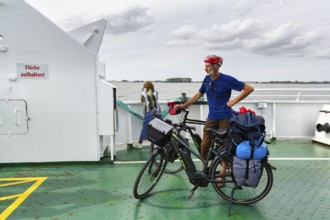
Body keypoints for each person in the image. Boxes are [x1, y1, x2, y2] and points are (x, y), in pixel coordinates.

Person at [175, 54, 254, 186]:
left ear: (216, 66)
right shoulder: (207, 79)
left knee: (223, 147)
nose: (205, 69)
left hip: (225, 117)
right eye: (205, 66)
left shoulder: (227, 79)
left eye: (208, 66)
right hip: (211, 117)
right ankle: (205, 170)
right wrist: (184, 105)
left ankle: (222, 174)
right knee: (204, 146)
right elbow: (198, 94)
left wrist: (232, 102)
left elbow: (249, 88)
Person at [133, 81, 161, 148]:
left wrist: (143, 90)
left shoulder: (145, 91)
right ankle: (159, 144)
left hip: (150, 112)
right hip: (158, 111)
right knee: (157, 128)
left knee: (145, 127)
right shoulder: (156, 92)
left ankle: (140, 143)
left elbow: (142, 100)